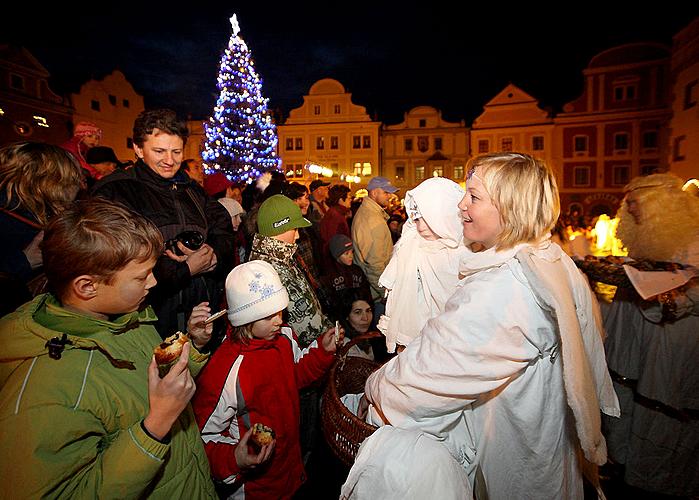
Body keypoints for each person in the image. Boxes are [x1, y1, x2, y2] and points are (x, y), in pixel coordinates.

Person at [360, 153, 619, 499]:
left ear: (511, 207)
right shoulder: (550, 258)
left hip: (516, 447)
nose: (461, 206)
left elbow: (431, 372)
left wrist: (374, 389)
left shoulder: (504, 287)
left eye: (474, 197)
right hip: (543, 439)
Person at [0, 198, 217, 498]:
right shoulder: (46, 390)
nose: (153, 282)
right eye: (142, 276)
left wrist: (192, 348)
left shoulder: (126, 318)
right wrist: (155, 426)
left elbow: (154, 384)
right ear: (87, 286)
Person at [192, 260, 338, 500]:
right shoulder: (227, 368)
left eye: (279, 311)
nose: (279, 321)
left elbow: (295, 377)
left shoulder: (283, 338)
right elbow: (202, 437)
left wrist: (322, 351)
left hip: (288, 468)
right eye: (268, 316)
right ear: (245, 320)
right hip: (255, 487)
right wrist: (236, 459)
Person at [92, 109, 234, 345]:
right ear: (138, 149)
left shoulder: (192, 190)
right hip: (148, 321)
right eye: (159, 151)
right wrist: (185, 269)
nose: (169, 160)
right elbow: (113, 260)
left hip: (200, 314)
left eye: (176, 151)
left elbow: (223, 229)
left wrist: (213, 255)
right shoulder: (116, 191)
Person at [601, 173, 699, 496]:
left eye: (637, 205)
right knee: (626, 407)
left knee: (662, 416)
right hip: (632, 336)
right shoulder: (644, 238)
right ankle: (623, 470)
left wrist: (673, 299)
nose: (631, 211)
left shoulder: (693, 239)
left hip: (671, 340)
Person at [378, 177, 469, 353]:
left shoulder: (468, 251)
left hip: (454, 345)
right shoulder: (410, 245)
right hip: (414, 343)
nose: (420, 227)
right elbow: (401, 299)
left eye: (429, 218)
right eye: (417, 219)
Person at [0, 142, 84, 315]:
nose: (81, 186)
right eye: (74, 179)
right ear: (50, 182)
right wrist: (24, 261)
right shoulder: (15, 224)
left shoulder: (38, 215)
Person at [351, 176, 398, 317]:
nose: (390, 196)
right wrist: (385, 292)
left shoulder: (371, 214)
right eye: (386, 192)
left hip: (374, 290)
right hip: (376, 294)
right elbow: (374, 262)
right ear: (374, 192)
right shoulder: (372, 218)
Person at [321, 234, 372, 319]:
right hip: (342, 319)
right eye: (346, 253)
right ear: (337, 256)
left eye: (352, 252)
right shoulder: (329, 275)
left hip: (361, 317)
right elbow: (329, 301)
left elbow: (367, 293)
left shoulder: (357, 270)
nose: (351, 256)